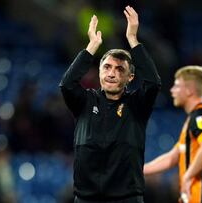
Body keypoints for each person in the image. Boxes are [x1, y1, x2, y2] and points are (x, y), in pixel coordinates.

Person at [59, 5, 161, 203]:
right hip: (86, 198)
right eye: (106, 67)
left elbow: (153, 83)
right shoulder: (85, 101)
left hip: (126, 198)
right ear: (99, 72)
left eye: (119, 69)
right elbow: (67, 85)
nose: (112, 73)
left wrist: (133, 40)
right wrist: (91, 47)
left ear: (130, 77)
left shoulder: (137, 104)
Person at [144, 66, 202, 203]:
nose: (172, 90)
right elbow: (172, 158)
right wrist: (140, 170)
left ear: (189, 90)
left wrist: (188, 176)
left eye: (176, 86)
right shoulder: (192, 119)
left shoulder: (201, 115)